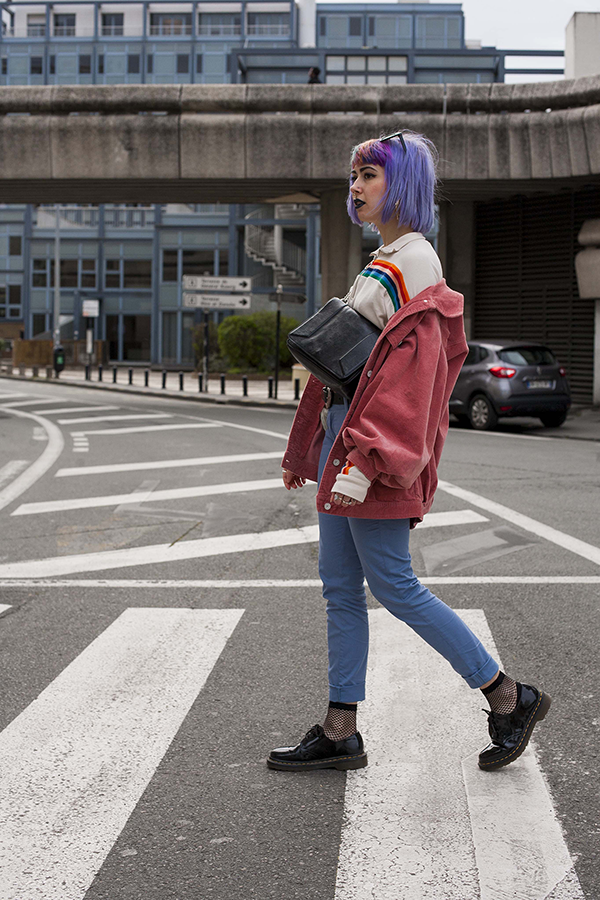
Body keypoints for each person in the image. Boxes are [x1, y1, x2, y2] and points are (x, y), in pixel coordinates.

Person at [267, 130, 551, 773]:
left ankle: (509, 696)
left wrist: (366, 461)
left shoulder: (415, 262)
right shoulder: (385, 258)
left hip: (373, 449)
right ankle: (341, 729)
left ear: (403, 185)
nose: (356, 186)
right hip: (348, 440)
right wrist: (314, 447)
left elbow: (411, 383)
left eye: (369, 174)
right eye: (354, 175)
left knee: (394, 584)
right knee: (341, 587)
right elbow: (348, 366)